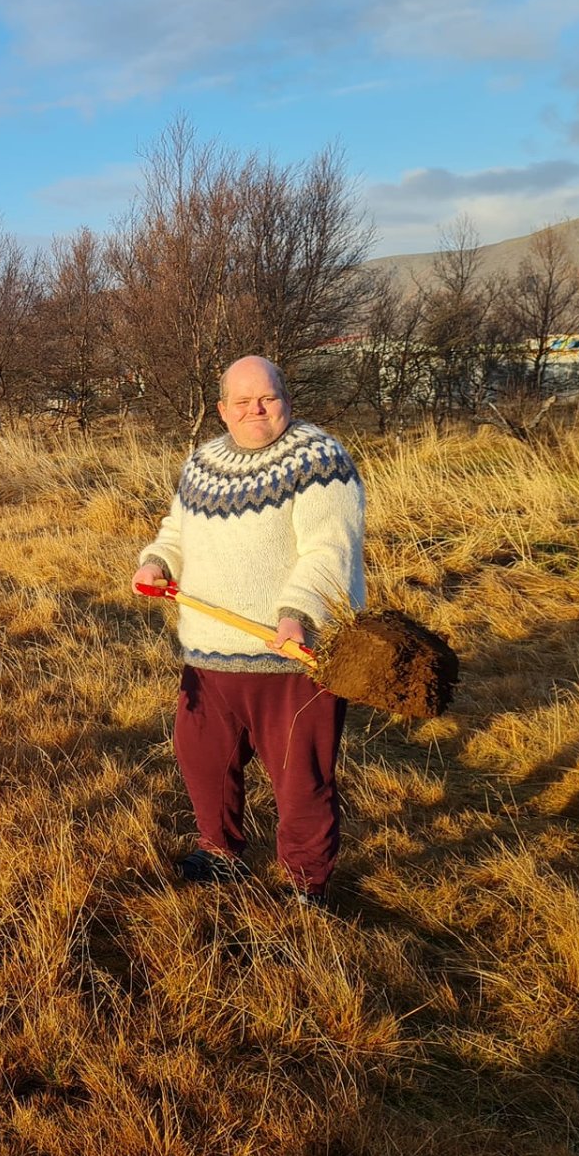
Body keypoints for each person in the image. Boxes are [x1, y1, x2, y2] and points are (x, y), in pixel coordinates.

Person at [131, 355, 365, 909]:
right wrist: (158, 562)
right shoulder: (202, 462)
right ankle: (220, 853)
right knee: (203, 761)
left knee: (299, 780)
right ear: (222, 409)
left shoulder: (319, 458)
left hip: (290, 657)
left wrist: (298, 613)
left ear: (286, 399)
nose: (255, 409)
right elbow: (176, 529)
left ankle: (305, 882)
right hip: (209, 655)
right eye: (242, 401)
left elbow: (330, 549)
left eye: (267, 398)